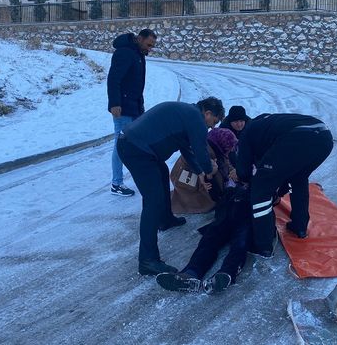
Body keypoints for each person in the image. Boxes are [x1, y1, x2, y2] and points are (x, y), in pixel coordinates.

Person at [116, 97, 225, 275]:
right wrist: (209, 170)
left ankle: (165, 219)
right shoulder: (195, 118)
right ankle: (147, 260)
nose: (212, 127)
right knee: (153, 202)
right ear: (207, 113)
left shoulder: (187, 113)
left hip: (135, 145)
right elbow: (200, 149)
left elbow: (186, 148)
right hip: (137, 150)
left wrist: (199, 173)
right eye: (213, 122)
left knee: (161, 172)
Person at [236, 113, 333, 257]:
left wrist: (249, 183)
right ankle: (300, 227)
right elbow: (280, 167)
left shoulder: (248, 132)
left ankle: (263, 245)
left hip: (298, 138)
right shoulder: (272, 125)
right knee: (298, 178)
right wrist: (277, 190)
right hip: (324, 139)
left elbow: (243, 171)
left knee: (260, 190)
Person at [157, 164, 252, 294]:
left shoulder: (257, 176)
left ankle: (226, 273)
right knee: (208, 241)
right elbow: (216, 196)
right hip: (224, 217)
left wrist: (246, 177)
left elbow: (271, 196)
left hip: (245, 218)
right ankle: (190, 274)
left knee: (240, 245)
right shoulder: (227, 177)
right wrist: (210, 177)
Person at [107, 29, 157, 197]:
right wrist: (115, 103)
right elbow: (113, 79)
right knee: (120, 145)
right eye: (149, 44)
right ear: (139, 38)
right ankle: (116, 183)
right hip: (122, 108)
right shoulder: (125, 53)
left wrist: (140, 107)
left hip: (134, 107)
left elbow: (136, 85)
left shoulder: (138, 53)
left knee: (135, 143)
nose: (150, 49)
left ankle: (140, 176)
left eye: (152, 46)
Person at [170, 128, 238, 214]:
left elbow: (225, 160)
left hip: (194, 176)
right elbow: (209, 181)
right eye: (229, 148)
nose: (230, 151)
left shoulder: (216, 147)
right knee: (212, 200)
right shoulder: (203, 152)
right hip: (188, 181)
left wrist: (232, 170)